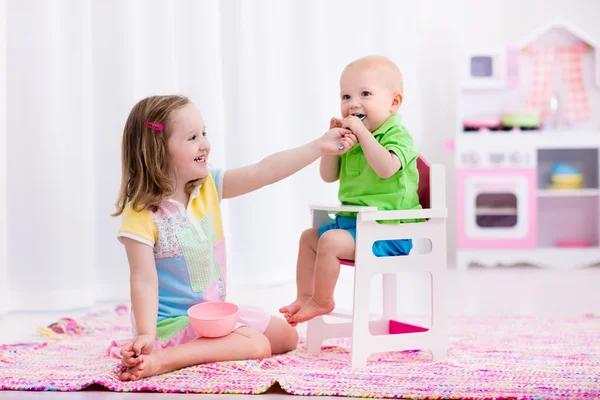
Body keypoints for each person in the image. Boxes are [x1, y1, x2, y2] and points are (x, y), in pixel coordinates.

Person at [109, 95, 352, 381]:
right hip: (171, 324)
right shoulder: (141, 213)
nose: (204, 144)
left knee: (286, 336)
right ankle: (165, 358)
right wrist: (147, 334)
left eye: (204, 133)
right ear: (157, 150)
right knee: (257, 345)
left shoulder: (207, 186)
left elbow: (264, 171)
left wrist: (317, 146)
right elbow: (143, 281)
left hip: (210, 315)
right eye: (192, 137)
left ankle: (206, 347)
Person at [279, 55, 421, 325]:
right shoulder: (352, 138)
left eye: (365, 94)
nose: (353, 104)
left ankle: (323, 301)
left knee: (329, 242)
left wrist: (363, 135)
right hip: (354, 226)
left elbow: (386, 168)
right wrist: (330, 145)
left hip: (389, 231)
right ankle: (305, 295)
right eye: (346, 96)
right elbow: (328, 176)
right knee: (309, 238)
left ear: (394, 103)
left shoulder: (397, 134)